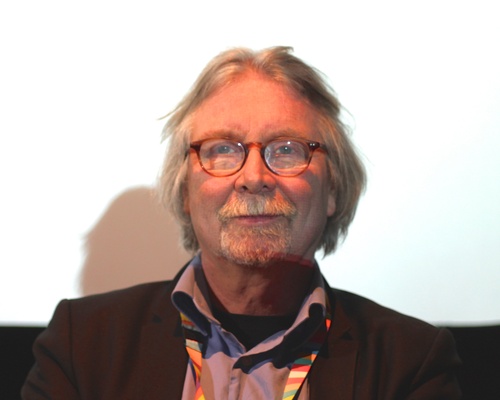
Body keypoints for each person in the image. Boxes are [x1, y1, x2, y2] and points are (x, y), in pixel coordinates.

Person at [22, 46, 461, 399]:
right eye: (222, 150)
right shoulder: (82, 343)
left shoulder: (411, 362)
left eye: (286, 150)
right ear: (185, 190)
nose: (253, 177)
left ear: (332, 189)